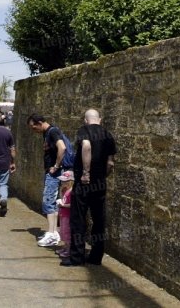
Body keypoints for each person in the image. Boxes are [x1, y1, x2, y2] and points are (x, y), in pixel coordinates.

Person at [62, 108, 117, 267]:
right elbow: (110, 163)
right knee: (99, 219)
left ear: (86, 120)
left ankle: (76, 257)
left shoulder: (84, 130)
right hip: (99, 184)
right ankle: (96, 256)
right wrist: (102, 177)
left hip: (84, 183)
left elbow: (86, 146)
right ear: (100, 119)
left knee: (78, 219)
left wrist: (86, 173)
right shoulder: (107, 134)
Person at [26, 114, 68, 247]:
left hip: (54, 172)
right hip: (53, 172)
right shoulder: (48, 133)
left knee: (48, 201)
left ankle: (52, 233)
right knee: (52, 201)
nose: (34, 130)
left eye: (34, 127)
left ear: (39, 123)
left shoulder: (52, 132)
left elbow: (62, 147)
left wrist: (56, 166)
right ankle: (53, 232)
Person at [56, 170, 74, 259]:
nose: (62, 182)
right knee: (62, 231)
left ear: (70, 181)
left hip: (68, 215)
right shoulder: (64, 190)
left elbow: (72, 205)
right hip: (63, 214)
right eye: (62, 181)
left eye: (65, 181)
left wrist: (63, 205)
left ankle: (69, 249)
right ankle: (65, 247)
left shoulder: (71, 192)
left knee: (67, 232)